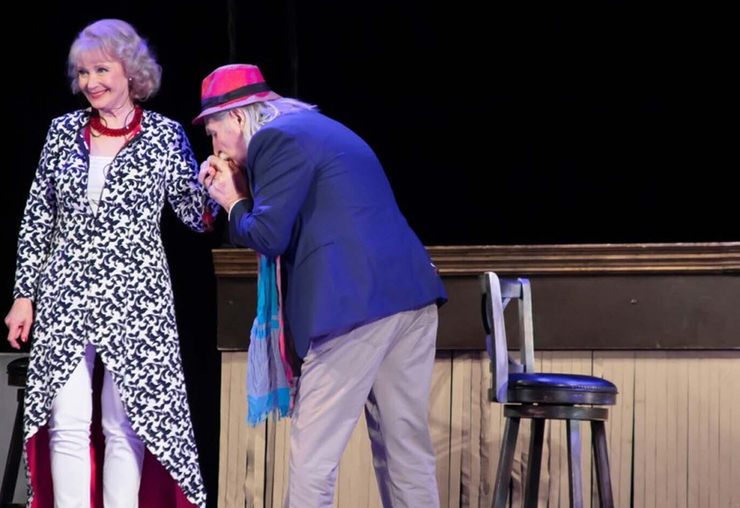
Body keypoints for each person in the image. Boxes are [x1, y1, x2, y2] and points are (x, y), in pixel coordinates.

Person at [195, 63, 448, 507]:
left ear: (237, 117)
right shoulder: (314, 127)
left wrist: (233, 200)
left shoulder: (273, 139)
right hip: (409, 296)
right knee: (405, 451)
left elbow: (268, 235)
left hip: (355, 308)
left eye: (214, 133)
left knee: (313, 456)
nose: (216, 147)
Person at [3, 19, 213, 508]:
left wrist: (219, 181)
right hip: (65, 291)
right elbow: (38, 217)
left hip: (138, 298)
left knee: (127, 425)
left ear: (131, 71)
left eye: (101, 69)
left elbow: (196, 217)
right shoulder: (62, 132)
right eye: (83, 73)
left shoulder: (164, 136)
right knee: (66, 421)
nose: (90, 82)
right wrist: (23, 295)